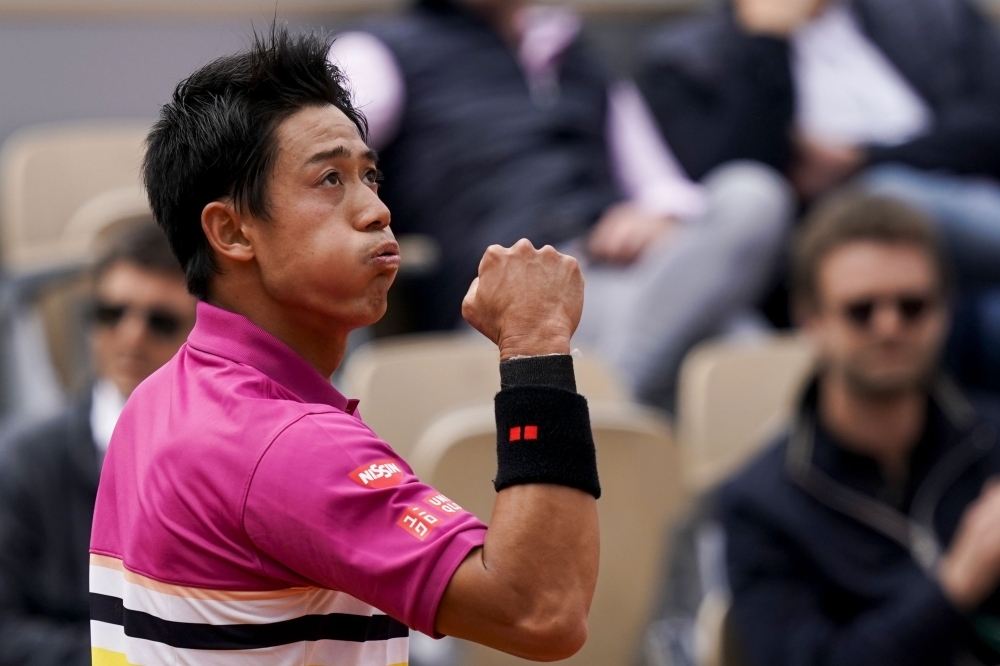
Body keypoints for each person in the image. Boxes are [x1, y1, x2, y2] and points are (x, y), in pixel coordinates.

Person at [89, 26, 603, 666]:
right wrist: (536, 347)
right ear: (231, 231)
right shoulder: (285, 443)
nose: (377, 211)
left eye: (370, 175)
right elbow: (542, 610)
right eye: (329, 180)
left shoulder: (155, 400)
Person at [330, 0, 793, 408]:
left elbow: (665, 189)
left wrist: (656, 217)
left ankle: (604, 401)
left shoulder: (576, 55)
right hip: (505, 299)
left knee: (752, 194)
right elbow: (318, 152)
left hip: (619, 273)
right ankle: (610, 404)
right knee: (737, 342)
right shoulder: (382, 52)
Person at [719, 192, 1000, 665]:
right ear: (810, 321)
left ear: (945, 312)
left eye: (913, 306)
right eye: (861, 311)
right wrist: (958, 583)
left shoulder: (992, 440)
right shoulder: (760, 502)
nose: (889, 327)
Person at [637, 0, 1000, 286]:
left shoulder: (930, 13)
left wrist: (864, 157)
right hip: (836, 234)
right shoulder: (688, 57)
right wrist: (767, 41)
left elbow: (990, 122)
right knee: (885, 195)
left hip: (967, 196)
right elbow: (740, 185)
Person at [0, 220, 195, 666]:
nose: (131, 334)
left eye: (160, 321)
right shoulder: (22, 462)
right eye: (111, 313)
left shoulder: (238, 459)